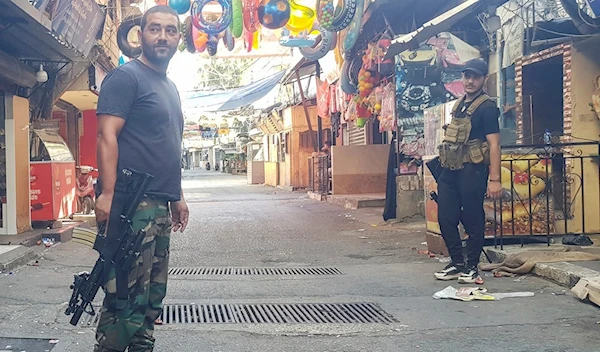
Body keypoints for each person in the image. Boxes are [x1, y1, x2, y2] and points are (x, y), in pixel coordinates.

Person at [93, 5, 189, 351]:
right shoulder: (126, 77)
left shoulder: (169, 87)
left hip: (158, 205)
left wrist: (175, 195)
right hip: (131, 204)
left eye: (170, 30)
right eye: (154, 29)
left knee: (150, 300)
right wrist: (107, 193)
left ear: (178, 37)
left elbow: (167, 144)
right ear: (141, 34)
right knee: (126, 301)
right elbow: (107, 135)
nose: (162, 36)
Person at [433, 58, 502, 284]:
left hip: (473, 170)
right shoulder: (459, 104)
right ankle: (457, 262)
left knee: (473, 218)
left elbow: (494, 144)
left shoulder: (487, 107)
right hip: (451, 168)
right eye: (467, 76)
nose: (470, 81)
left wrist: (495, 179)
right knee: (445, 216)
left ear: (484, 79)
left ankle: (471, 267)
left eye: (475, 77)